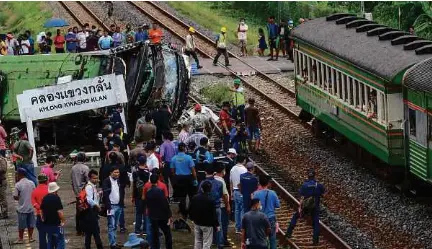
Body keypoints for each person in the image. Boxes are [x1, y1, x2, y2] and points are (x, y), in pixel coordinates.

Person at [285, 168, 325, 245]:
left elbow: (302, 197)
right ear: (314, 176)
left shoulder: (304, 185)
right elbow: (323, 193)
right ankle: (315, 241)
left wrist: (300, 207)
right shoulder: (319, 185)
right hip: (315, 207)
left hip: (305, 207)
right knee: (316, 223)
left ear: (308, 176)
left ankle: (288, 233)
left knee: (295, 217)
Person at [170, 142, 197, 221]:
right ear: (185, 148)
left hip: (179, 178)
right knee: (191, 197)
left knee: (181, 198)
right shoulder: (188, 158)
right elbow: (193, 170)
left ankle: (184, 214)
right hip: (188, 178)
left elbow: (172, 171)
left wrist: (176, 176)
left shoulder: (174, 158)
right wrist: (195, 179)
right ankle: (190, 213)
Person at [145, 174, 173, 249]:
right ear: (157, 180)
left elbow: (147, 204)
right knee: (167, 234)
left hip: (153, 216)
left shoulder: (148, 192)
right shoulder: (159, 191)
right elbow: (165, 204)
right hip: (162, 216)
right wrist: (169, 215)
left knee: (155, 234)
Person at [253, 175, 280, 249]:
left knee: (260, 239)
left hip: (259, 218)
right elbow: (278, 205)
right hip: (271, 218)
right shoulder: (273, 193)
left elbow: (254, 207)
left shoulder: (256, 194)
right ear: (268, 183)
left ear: (260, 183)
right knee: (272, 239)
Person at [190, 181, 219, 249]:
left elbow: (191, 209)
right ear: (210, 189)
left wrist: (192, 218)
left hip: (197, 222)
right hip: (207, 225)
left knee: (197, 241)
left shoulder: (195, 197)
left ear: (202, 188)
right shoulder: (211, 200)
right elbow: (213, 214)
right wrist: (216, 224)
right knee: (206, 243)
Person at [102, 166, 124, 249]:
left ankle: (114, 242)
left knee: (115, 225)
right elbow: (106, 195)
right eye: (115, 172)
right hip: (111, 206)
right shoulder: (106, 181)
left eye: (118, 172)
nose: (117, 174)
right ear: (110, 173)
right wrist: (109, 207)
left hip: (119, 205)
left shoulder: (118, 180)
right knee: (111, 226)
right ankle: (112, 244)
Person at [13, 168, 36, 244]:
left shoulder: (18, 184)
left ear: (19, 174)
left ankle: (20, 239)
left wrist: (20, 196)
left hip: (22, 208)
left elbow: (15, 197)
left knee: (21, 225)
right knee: (31, 224)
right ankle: (30, 237)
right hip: (31, 207)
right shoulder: (32, 183)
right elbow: (34, 193)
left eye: (16, 174)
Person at [41, 182, 66, 249]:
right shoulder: (56, 198)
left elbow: (41, 210)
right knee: (60, 241)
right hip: (56, 224)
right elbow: (60, 212)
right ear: (55, 190)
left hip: (47, 224)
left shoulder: (45, 198)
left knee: (50, 241)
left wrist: (43, 219)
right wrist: (63, 221)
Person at [83, 170, 104, 249]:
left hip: (92, 211)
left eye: (97, 178)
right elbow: (89, 199)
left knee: (89, 231)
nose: (96, 180)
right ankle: (99, 246)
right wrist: (96, 205)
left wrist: (99, 193)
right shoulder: (89, 187)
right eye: (94, 178)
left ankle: (88, 246)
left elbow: (93, 197)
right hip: (91, 211)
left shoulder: (93, 186)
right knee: (95, 231)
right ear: (90, 178)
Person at [71, 152, 90, 236]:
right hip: (84, 192)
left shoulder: (73, 168)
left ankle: (79, 229)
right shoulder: (85, 167)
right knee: (85, 210)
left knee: (78, 211)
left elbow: (72, 181)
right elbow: (88, 180)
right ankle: (84, 228)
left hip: (77, 192)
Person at [213, 163, 231, 247]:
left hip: (214, 205)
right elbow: (225, 195)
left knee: (215, 224)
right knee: (223, 224)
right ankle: (222, 240)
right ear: (222, 171)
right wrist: (228, 205)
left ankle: (215, 240)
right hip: (222, 206)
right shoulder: (221, 181)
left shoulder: (212, 179)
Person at [131, 156, 150, 235]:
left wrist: (132, 195)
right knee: (145, 213)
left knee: (138, 213)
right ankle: (145, 229)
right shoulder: (147, 172)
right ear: (145, 162)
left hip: (137, 194)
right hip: (146, 194)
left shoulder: (135, 171)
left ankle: (137, 229)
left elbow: (133, 184)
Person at [230, 154, 247, 233]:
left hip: (234, 191)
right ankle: (241, 227)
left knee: (237, 209)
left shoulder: (232, 169)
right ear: (243, 160)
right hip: (241, 191)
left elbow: (231, 182)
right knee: (242, 210)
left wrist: (231, 192)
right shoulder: (244, 169)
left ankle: (237, 227)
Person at [31, 174, 49, 249]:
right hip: (50, 215)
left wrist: (41, 208)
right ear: (46, 180)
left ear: (38, 181)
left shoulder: (34, 191)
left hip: (40, 215)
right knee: (52, 235)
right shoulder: (50, 190)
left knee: (42, 235)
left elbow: (34, 204)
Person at [0, 154, 7, 219]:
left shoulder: (1, 159)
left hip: (1, 181)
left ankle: (4, 213)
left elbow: (3, 169)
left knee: (3, 198)